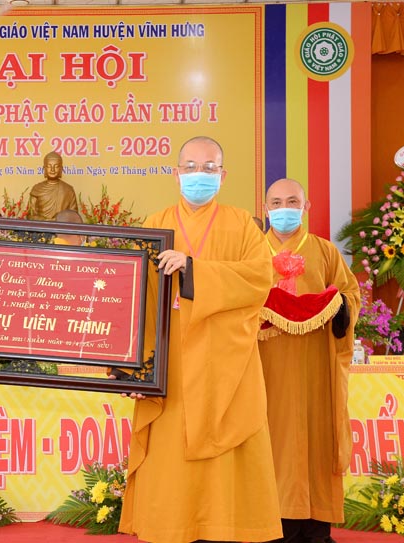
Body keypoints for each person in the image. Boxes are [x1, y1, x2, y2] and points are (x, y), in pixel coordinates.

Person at [118, 136, 282, 543]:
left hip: (225, 363)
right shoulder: (155, 225)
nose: (199, 175)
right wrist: (133, 367)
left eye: (209, 168)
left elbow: (260, 278)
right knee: (170, 469)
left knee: (226, 468)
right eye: (190, 167)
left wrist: (194, 270)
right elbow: (136, 300)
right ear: (176, 174)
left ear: (223, 176)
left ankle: (224, 528)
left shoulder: (241, 225)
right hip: (171, 364)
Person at [258, 178, 360, 543]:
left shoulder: (324, 251)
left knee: (317, 438)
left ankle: (317, 528)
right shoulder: (251, 252)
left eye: (292, 201)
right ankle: (273, 527)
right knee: (271, 441)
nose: (284, 209)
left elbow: (350, 293)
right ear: (265, 208)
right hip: (266, 369)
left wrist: (341, 308)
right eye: (276, 203)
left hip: (317, 366)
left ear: (306, 206)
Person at [28, 151, 78, 221]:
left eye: (56, 166)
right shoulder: (36, 189)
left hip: (61, 227)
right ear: (44, 168)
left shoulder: (68, 190)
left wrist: (58, 220)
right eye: (49, 166)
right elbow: (30, 215)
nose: (52, 170)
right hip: (41, 226)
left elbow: (74, 217)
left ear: (61, 169)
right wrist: (45, 220)